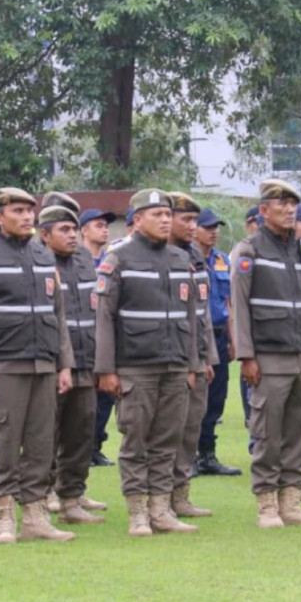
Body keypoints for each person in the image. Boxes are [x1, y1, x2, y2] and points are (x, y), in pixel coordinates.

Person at [0, 187, 76, 544]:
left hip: (43, 364)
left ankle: (36, 516)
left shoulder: (43, 257)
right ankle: (5, 517)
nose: (27, 216)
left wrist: (64, 365)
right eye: (18, 210)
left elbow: (57, 315)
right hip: (3, 365)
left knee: (41, 444)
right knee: (6, 443)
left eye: (30, 210)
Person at [95, 188, 201, 536]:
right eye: (157, 214)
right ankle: (138, 512)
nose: (165, 219)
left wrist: (191, 364)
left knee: (167, 440)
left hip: (173, 364)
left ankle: (161, 508)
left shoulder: (179, 259)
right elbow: (105, 317)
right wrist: (107, 369)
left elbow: (190, 318)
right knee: (136, 440)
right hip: (135, 366)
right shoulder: (118, 257)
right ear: (137, 220)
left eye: (168, 214)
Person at [231, 180, 301, 529]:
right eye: (281, 203)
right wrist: (246, 355)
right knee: (267, 432)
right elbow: (239, 308)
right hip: (268, 356)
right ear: (263, 210)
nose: (290, 210)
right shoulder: (249, 250)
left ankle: (291, 502)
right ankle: (267, 505)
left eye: (293, 204)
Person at [37, 203, 108, 525]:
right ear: (44, 235)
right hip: (51, 364)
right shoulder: (37, 262)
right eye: (63, 230)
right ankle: (43, 494)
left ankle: (72, 497)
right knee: (45, 434)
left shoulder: (84, 261)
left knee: (81, 433)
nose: (71, 236)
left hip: (85, 361)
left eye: (73, 230)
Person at [167, 192, 219, 519]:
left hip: (199, 359)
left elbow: (203, 313)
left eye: (193, 220)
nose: (192, 226)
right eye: (185, 219)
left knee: (190, 430)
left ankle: (180, 495)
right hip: (171, 358)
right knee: (166, 432)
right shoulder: (157, 257)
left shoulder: (196, 257)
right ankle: (156, 498)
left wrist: (207, 357)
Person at [194, 208, 241, 476]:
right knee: (195, 398)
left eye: (216, 227)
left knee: (217, 399)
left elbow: (228, 303)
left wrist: (235, 341)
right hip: (199, 335)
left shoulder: (222, 260)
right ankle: (188, 455)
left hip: (221, 334)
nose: (214, 232)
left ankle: (208, 455)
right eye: (208, 227)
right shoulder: (185, 259)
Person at [78, 208, 119, 468]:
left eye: (106, 225)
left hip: (105, 340)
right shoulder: (77, 261)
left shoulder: (110, 262)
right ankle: (81, 448)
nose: (104, 229)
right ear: (84, 230)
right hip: (82, 338)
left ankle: (96, 446)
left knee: (105, 397)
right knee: (83, 401)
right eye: (98, 225)